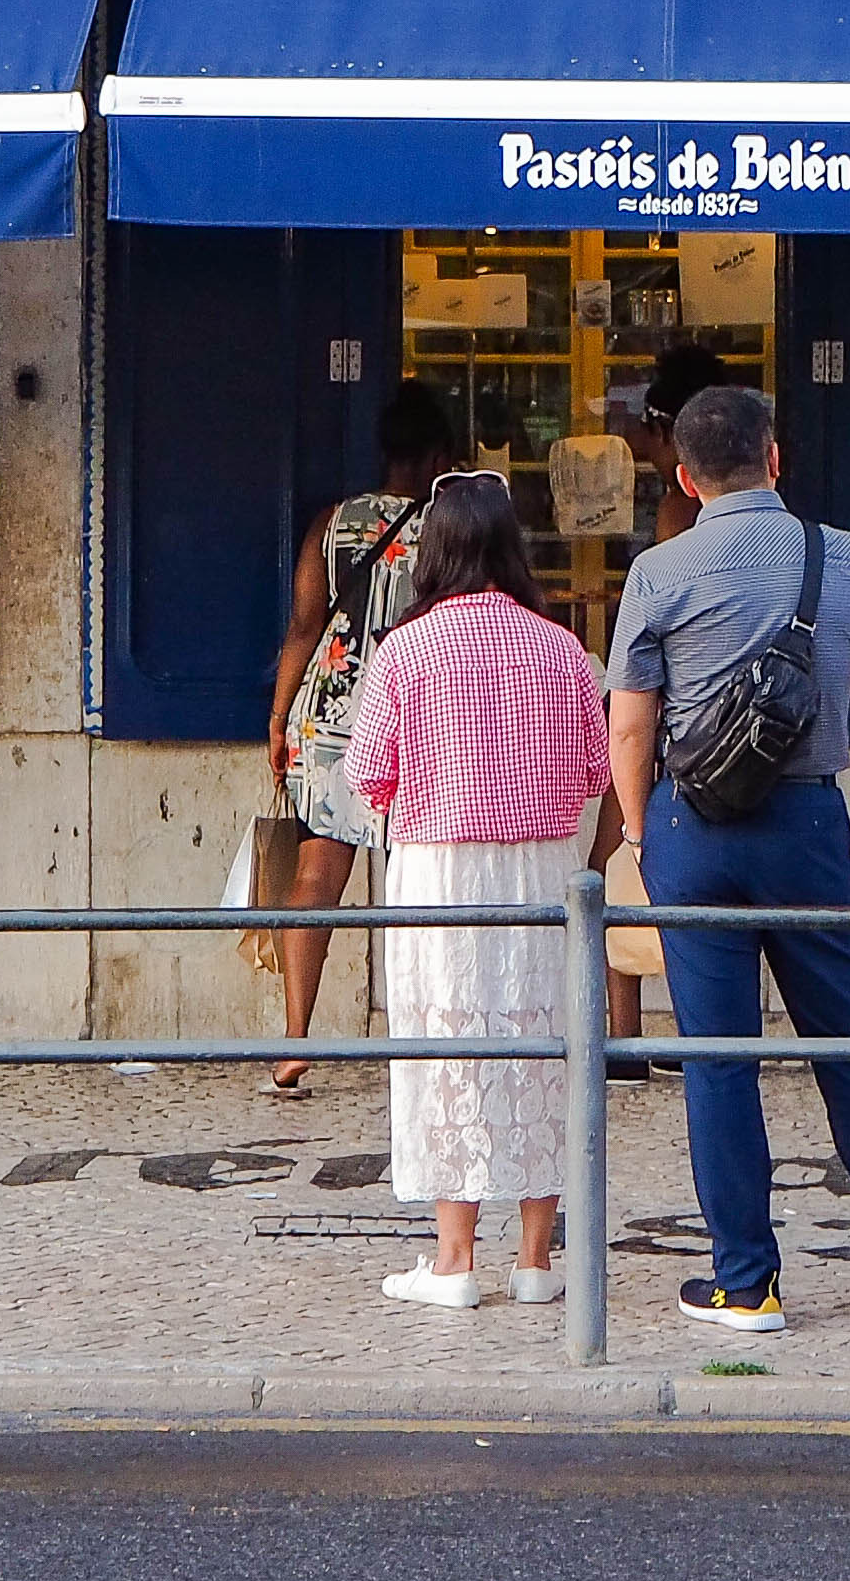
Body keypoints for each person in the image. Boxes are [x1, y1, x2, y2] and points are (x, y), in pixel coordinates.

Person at [607, 383, 850, 1334]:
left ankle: (746, 1283)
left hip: (693, 828)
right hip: (806, 824)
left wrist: (639, 828)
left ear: (684, 475)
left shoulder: (659, 573)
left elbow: (630, 724)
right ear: (776, 457)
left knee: (717, 1060)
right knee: (846, 1039)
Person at [341, 470, 610, 1308]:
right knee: (544, 1041)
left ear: (434, 552)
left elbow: (366, 777)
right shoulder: (561, 647)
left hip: (439, 869)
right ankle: (536, 1262)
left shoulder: (404, 651)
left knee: (446, 1042)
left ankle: (454, 1260)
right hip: (539, 863)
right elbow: (593, 770)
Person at [260, 379, 453, 1093]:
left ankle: (293, 1039)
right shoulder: (445, 529)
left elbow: (304, 627)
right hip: (416, 718)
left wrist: (280, 719)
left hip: (329, 711)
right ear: (436, 454)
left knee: (316, 875)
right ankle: (425, 1041)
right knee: (419, 881)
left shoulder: (334, 521)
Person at [589, 343, 733, 1077]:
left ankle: (623, 1041)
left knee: (613, 863)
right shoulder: (759, 524)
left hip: (665, 727)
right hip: (728, 736)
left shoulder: (678, 515)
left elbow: (652, 648)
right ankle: (684, 1036)